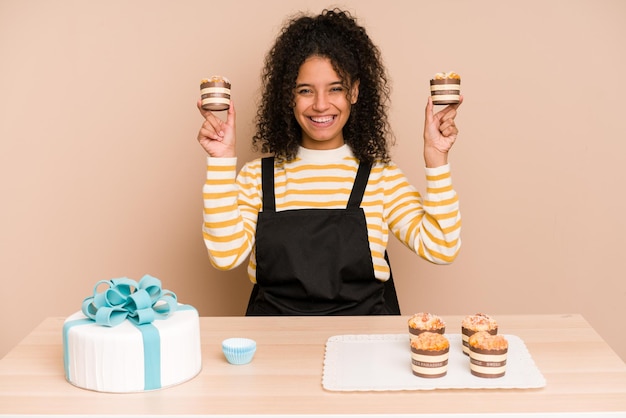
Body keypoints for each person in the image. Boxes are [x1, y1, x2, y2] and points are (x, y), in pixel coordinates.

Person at [196, 8, 462, 316]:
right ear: (288, 97)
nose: (321, 104)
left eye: (335, 88)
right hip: (276, 345)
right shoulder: (257, 176)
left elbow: (442, 248)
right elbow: (224, 256)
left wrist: (436, 158)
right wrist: (221, 162)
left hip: (364, 347)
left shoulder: (380, 176)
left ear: (355, 91)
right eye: (305, 91)